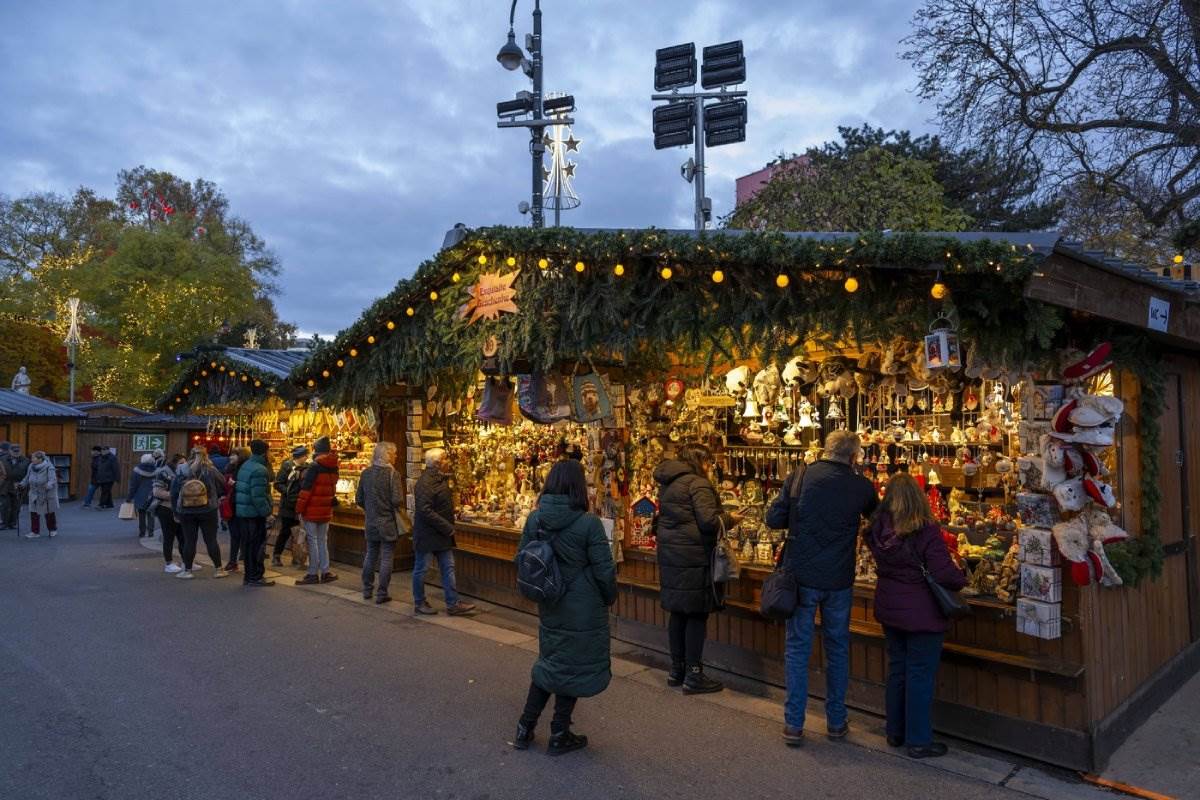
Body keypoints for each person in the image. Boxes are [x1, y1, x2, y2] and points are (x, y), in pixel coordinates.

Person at [512, 459, 617, 755]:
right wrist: (608, 597)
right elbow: (604, 570)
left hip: (549, 601)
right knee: (572, 667)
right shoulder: (588, 524)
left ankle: (525, 726)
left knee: (552, 662)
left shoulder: (535, 519)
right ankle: (559, 732)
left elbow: (521, 558)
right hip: (583, 606)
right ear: (578, 487)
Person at [781, 430, 879, 746]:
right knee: (837, 648)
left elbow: (773, 518)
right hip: (839, 578)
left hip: (802, 575)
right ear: (853, 457)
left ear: (825, 450)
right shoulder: (861, 486)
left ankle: (794, 724)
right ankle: (836, 722)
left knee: (798, 648)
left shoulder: (799, 478)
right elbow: (876, 521)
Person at [866, 473, 966, 759]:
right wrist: (961, 578)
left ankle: (895, 731)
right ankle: (919, 740)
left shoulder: (877, 530)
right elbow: (944, 572)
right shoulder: (925, 531)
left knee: (898, 669)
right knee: (920, 675)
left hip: (890, 608)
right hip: (922, 613)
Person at [653, 443, 740, 694]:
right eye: (709, 462)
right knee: (696, 614)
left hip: (672, 556)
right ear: (701, 461)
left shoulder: (669, 482)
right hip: (694, 557)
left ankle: (676, 670)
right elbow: (709, 522)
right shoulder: (698, 484)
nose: (711, 467)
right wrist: (731, 519)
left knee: (678, 613)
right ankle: (694, 674)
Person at [411, 448, 476, 616]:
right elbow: (425, 510)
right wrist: (447, 526)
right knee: (421, 569)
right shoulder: (425, 483)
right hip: (428, 534)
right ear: (438, 463)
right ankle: (419, 602)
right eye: (446, 459)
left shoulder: (438, 480)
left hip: (439, 534)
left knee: (448, 567)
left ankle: (453, 603)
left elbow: (435, 506)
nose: (449, 462)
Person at [355, 442, 405, 604]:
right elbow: (397, 500)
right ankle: (382, 593)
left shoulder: (366, 473)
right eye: (394, 454)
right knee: (386, 557)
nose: (396, 457)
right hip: (388, 522)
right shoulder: (392, 474)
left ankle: (367, 589)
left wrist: (370, 509)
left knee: (370, 554)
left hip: (371, 521)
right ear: (388, 455)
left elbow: (359, 499)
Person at [170, 447, 228, 580]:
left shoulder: (181, 469)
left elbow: (174, 492)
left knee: (189, 540)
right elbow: (223, 483)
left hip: (186, 510)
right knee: (211, 540)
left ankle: (187, 571)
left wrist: (175, 511)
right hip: (208, 509)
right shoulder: (210, 470)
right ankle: (219, 569)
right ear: (205, 455)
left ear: (190, 455)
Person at [294, 436, 339, 585]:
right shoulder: (334, 466)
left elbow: (306, 490)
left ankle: (313, 573)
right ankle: (325, 571)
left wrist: (299, 509)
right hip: (326, 509)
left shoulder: (314, 467)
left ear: (316, 450)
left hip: (312, 509)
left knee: (312, 541)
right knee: (322, 540)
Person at [235, 440, 275, 587]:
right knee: (256, 546)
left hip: (244, 512)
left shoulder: (246, 465)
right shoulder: (260, 470)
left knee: (248, 545)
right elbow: (258, 496)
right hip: (253, 514)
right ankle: (255, 576)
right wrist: (267, 513)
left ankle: (249, 576)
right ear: (265, 452)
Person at [272, 446, 309, 567]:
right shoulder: (287, 466)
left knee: (299, 532)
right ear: (301, 457)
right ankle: (276, 555)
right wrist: (288, 491)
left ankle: (297, 556)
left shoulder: (307, 467)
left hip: (300, 504)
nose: (307, 458)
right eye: (305, 456)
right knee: (286, 531)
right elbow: (277, 484)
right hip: (288, 505)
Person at [154, 454, 187, 573]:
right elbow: (157, 492)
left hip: (181, 509)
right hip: (166, 508)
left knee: (183, 537)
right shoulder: (163, 473)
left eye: (185, 463)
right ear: (174, 463)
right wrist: (174, 495)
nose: (184, 465)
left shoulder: (184, 474)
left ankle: (186, 561)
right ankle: (169, 563)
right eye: (181, 463)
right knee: (169, 537)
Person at [18, 450, 59, 538]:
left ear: (40, 459)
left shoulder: (49, 467)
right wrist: (22, 484)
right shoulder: (31, 466)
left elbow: (53, 479)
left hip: (46, 493)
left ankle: (53, 529)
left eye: (33, 458)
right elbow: (27, 477)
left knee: (48, 512)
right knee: (33, 513)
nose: (31, 459)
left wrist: (49, 485)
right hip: (34, 493)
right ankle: (35, 532)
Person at [221, 449, 246, 573]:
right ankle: (233, 561)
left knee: (241, 534)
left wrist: (235, 484)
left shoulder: (243, 469)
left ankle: (238, 560)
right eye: (230, 454)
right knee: (235, 535)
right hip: (232, 505)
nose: (231, 456)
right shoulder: (230, 467)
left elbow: (246, 487)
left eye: (234, 454)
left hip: (241, 505)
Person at [126, 454, 158, 538]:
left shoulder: (137, 471)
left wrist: (129, 498)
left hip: (141, 495)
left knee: (141, 514)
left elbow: (133, 486)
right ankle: (151, 532)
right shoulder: (156, 470)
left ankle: (142, 532)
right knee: (151, 513)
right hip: (153, 494)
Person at [2, 444, 30, 529]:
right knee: (5, 505)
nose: (16, 453)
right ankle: (4, 523)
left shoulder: (26, 460)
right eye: (14, 451)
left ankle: (13, 523)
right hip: (5, 485)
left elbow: (28, 474)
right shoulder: (2, 459)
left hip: (19, 485)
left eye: (18, 451)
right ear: (10, 451)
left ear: (21, 451)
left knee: (16, 506)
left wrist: (23, 483)